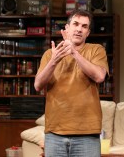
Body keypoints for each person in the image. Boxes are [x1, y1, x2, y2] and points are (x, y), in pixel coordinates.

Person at [34, 9, 109, 157]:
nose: (79, 29)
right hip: (55, 133)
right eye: (75, 24)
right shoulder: (50, 54)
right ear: (67, 28)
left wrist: (74, 52)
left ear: (88, 33)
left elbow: (100, 76)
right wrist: (54, 60)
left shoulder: (96, 50)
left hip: (87, 134)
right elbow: (38, 85)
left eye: (84, 26)